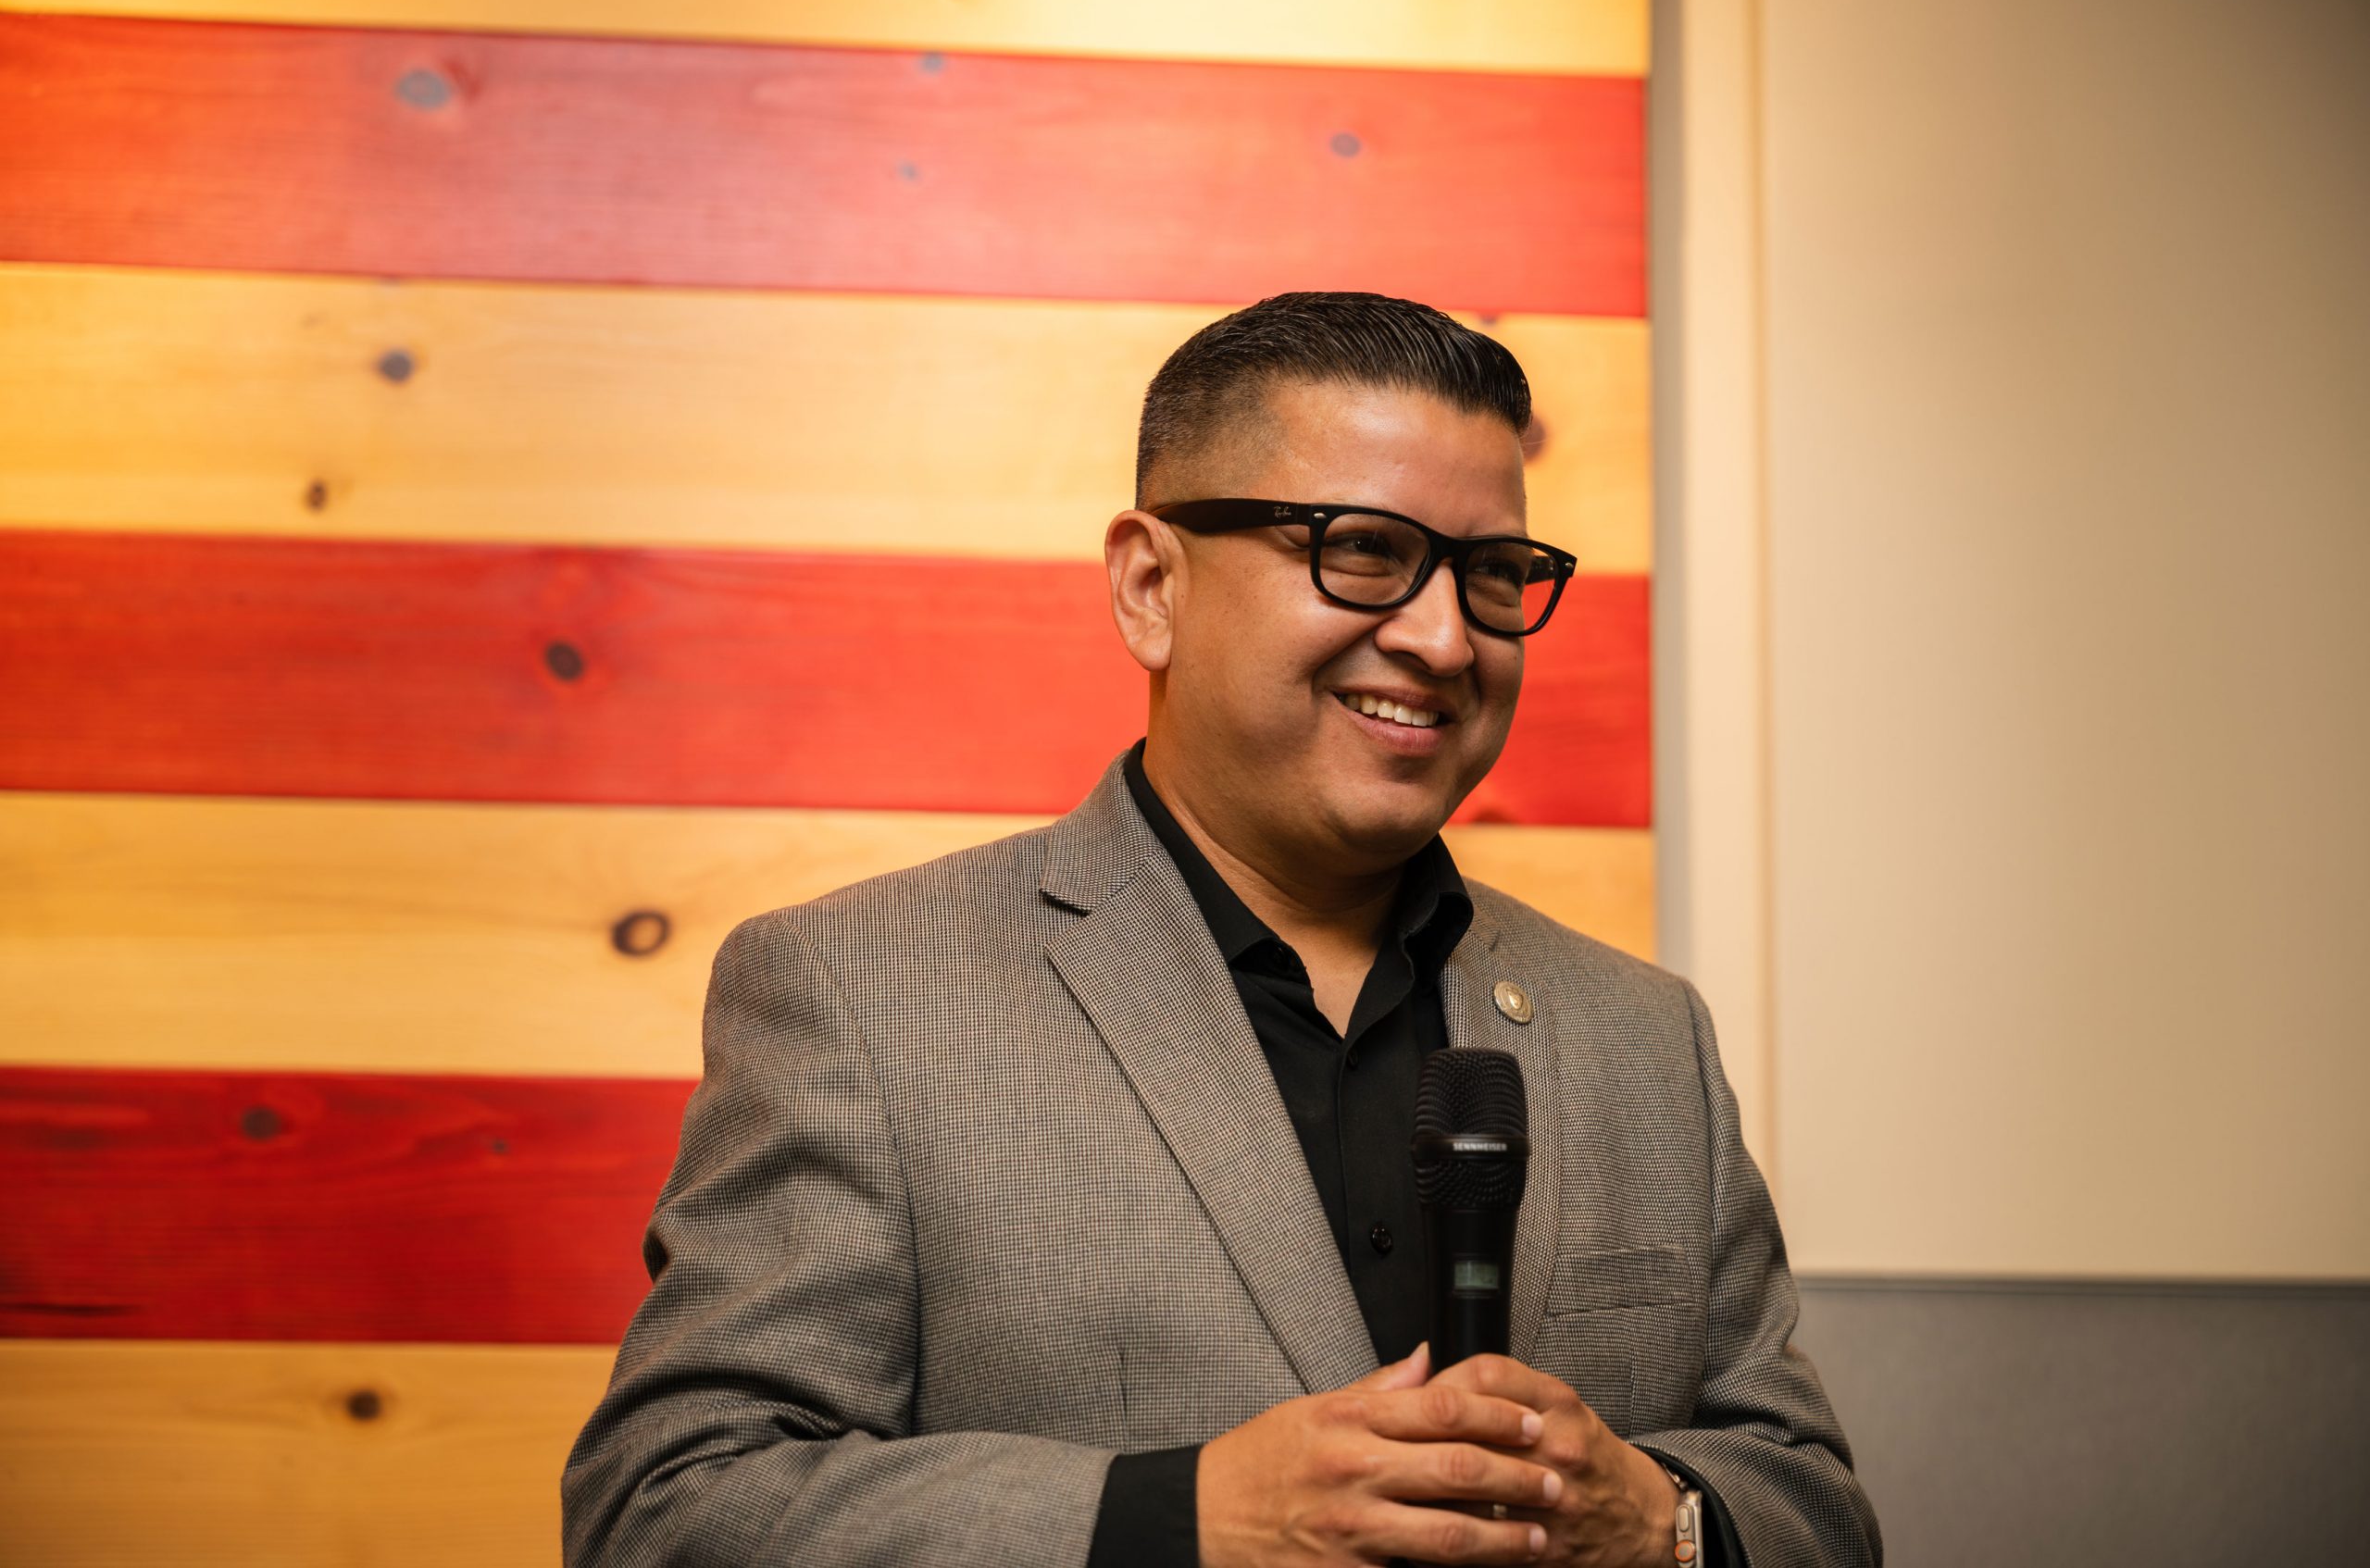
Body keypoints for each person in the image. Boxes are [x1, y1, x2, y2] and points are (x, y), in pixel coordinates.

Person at [562, 292, 1880, 1567]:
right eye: (1364, 548)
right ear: (1150, 585)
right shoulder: (862, 992)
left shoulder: (1644, 1033)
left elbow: (1810, 1500)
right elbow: (671, 1508)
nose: (1442, 637)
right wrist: (1184, 1517)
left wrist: (1660, 1525)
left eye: (1493, 574)